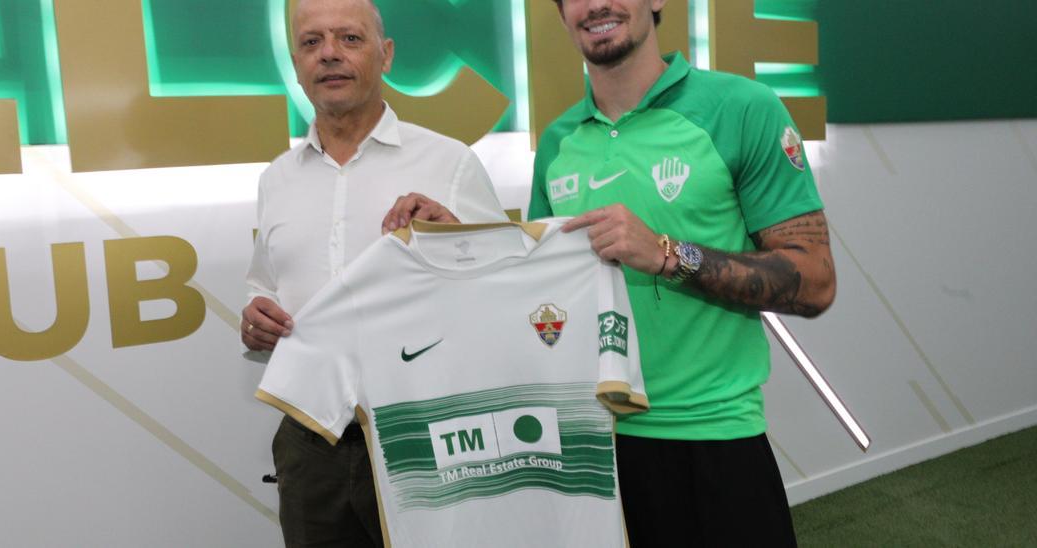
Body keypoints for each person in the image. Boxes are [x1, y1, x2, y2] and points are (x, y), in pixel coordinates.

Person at [535, 0, 836, 545]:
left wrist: (670, 254)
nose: (596, 4)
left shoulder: (743, 107)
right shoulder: (557, 143)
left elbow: (815, 281)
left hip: (716, 443)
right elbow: (538, 294)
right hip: (595, 447)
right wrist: (448, 239)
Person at [241, 0, 506, 545]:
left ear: (385, 56)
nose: (330, 54)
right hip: (310, 441)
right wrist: (254, 316)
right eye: (312, 42)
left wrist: (454, 237)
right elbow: (264, 284)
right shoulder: (277, 180)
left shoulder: (449, 163)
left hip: (427, 436)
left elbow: (508, 294)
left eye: (350, 39)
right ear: (295, 64)